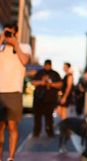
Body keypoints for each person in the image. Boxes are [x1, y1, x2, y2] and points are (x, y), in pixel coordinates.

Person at [0, 23, 31, 161]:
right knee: (0, 129)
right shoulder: (1, 47)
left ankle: (11, 157)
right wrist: (1, 39)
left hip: (14, 92)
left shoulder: (24, 47)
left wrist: (15, 44)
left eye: (10, 33)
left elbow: (24, 60)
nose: (8, 36)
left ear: (16, 33)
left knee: (12, 126)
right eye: (6, 32)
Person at [31, 59, 63, 137]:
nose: (47, 67)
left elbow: (60, 84)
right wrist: (41, 82)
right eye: (46, 65)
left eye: (49, 65)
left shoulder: (55, 74)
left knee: (49, 117)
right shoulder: (39, 73)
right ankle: (36, 132)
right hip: (39, 98)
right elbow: (33, 82)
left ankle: (49, 132)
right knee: (37, 117)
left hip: (50, 99)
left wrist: (51, 84)